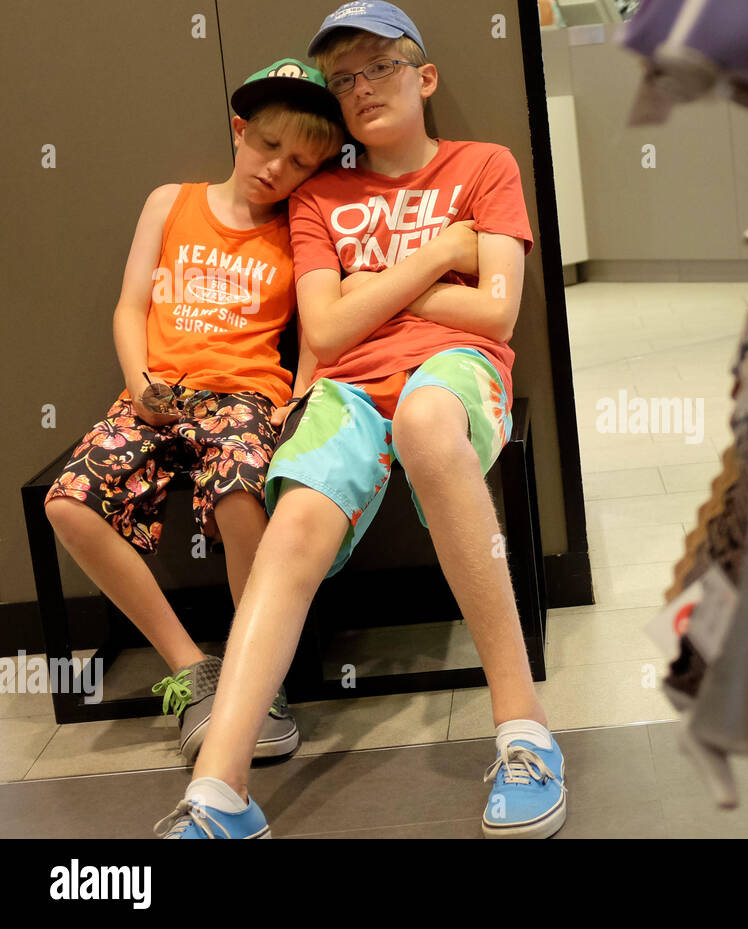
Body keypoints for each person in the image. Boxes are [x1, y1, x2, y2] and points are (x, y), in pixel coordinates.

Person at [154, 1, 564, 840]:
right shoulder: (322, 194)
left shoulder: (484, 166)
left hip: (454, 373)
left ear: (425, 76)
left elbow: (496, 315)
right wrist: (439, 255)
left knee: (423, 420)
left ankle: (526, 732)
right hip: (344, 387)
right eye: (343, 78)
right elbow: (329, 331)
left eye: (378, 66)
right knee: (294, 516)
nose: (360, 87)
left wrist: (368, 287)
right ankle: (220, 793)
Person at [43, 59, 345, 764]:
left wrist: (299, 396)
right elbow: (131, 306)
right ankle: (192, 668)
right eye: (269, 144)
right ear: (240, 130)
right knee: (68, 503)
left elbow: (320, 323)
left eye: (300, 161)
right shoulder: (170, 202)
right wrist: (139, 381)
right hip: (156, 390)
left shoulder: (298, 229)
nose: (278, 168)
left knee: (242, 495)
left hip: (244, 395)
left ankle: (253, 670)